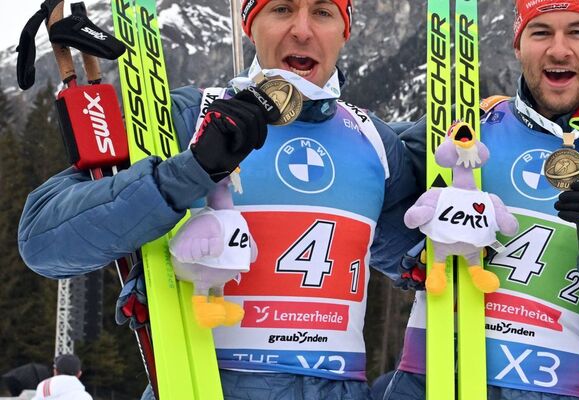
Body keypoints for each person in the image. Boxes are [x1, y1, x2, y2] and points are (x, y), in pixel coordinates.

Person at [18, 0, 423, 398]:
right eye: (282, 9)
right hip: (198, 384)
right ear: (250, 25)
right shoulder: (188, 116)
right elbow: (44, 241)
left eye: (322, 12)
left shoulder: (375, 141)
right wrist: (189, 170)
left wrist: (472, 152)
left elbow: (423, 260)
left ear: (344, 31)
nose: (302, 29)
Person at [372, 0, 579, 399]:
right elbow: (368, 207)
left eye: (578, 31)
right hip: (431, 385)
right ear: (517, 45)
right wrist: (415, 258)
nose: (559, 50)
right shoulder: (464, 131)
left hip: (555, 385)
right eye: (541, 32)